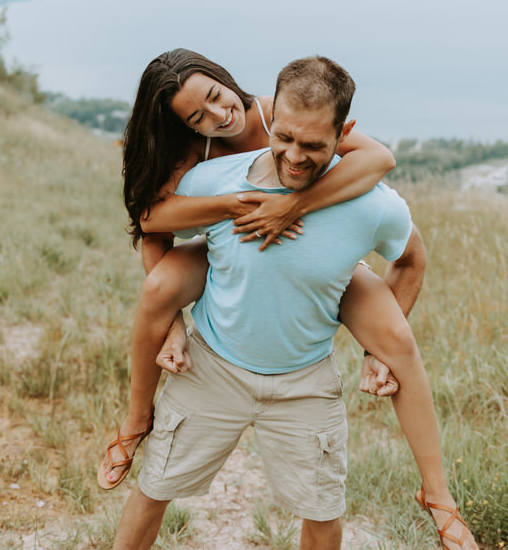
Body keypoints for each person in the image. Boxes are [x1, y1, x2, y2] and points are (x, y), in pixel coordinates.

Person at [57, 57, 479, 550]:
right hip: (215, 369)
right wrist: (173, 321)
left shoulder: (373, 202)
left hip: (304, 381)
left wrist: (371, 354)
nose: (296, 154)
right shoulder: (210, 179)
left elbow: (412, 257)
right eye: (285, 137)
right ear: (270, 120)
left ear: (344, 135)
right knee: (154, 487)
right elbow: (151, 228)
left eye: (314, 144)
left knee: (323, 502)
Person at [98, 49, 398, 492]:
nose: (219, 115)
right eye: (198, 117)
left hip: (300, 249)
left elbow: (379, 159)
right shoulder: (192, 151)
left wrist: (292, 205)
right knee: (160, 287)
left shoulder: (282, 111)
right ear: (186, 125)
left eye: (217, 96)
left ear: (224, 78)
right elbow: (152, 223)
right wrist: (175, 322)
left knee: (391, 325)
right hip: (233, 245)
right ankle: (137, 418)